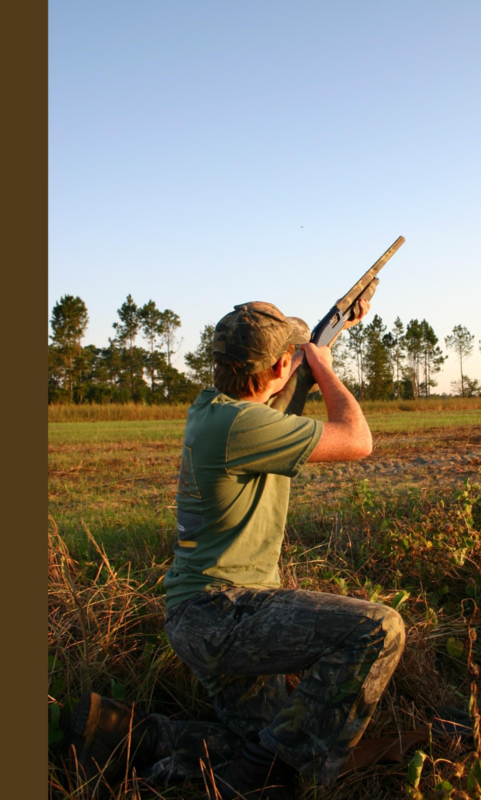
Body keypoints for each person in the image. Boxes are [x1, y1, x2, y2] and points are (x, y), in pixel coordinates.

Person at [65, 300, 405, 800]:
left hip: (201, 615)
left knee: (260, 738)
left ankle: (132, 734)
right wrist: (326, 371)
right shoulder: (239, 426)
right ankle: (260, 781)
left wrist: (332, 336)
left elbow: (276, 406)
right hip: (224, 611)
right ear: (275, 368)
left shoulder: (214, 411)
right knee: (379, 629)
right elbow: (357, 440)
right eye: (287, 355)